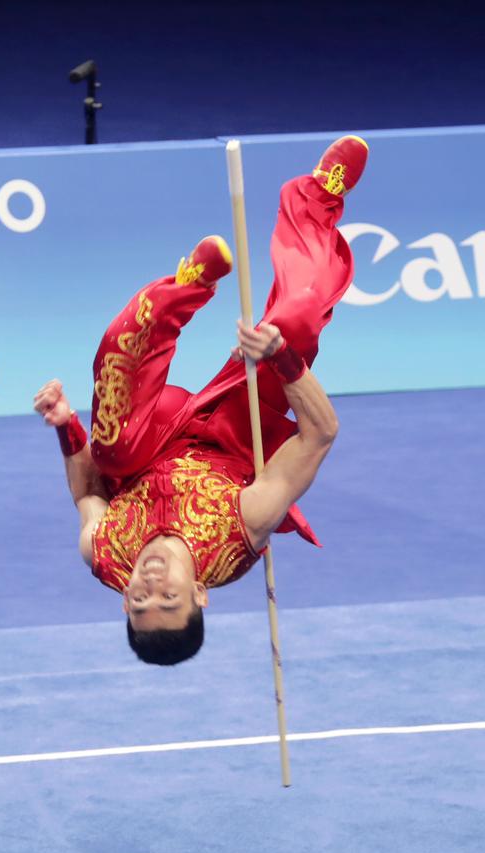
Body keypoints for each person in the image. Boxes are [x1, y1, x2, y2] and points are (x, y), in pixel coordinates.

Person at [34, 136, 368, 666]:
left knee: (112, 450)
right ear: (200, 595)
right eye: (169, 598)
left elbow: (89, 492)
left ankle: (188, 283)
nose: (151, 585)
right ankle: (318, 197)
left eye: (139, 601)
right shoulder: (244, 530)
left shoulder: (104, 554)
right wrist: (281, 357)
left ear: (123, 601)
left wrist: (66, 428)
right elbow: (321, 433)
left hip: (150, 437)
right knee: (299, 318)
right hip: (238, 431)